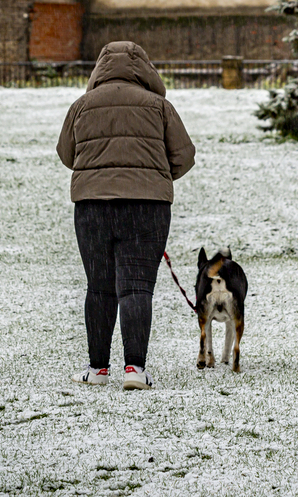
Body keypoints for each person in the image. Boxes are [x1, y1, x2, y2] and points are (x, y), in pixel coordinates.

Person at [56, 41, 195, 390]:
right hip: (148, 207)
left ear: (100, 69)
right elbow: (184, 155)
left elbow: (66, 153)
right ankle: (135, 370)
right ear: (145, 69)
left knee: (99, 287)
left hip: (92, 206)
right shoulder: (159, 106)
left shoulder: (82, 106)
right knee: (136, 288)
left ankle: (97, 369)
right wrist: (154, 177)